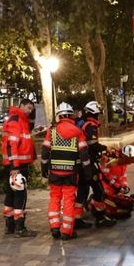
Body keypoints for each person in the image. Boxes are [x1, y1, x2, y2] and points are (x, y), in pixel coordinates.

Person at [41, 102, 92, 240]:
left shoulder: (51, 132)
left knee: (55, 198)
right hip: (71, 173)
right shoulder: (78, 132)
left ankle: (55, 228)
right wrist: (87, 171)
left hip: (55, 172)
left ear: (58, 116)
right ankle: (67, 231)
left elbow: (45, 151)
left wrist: (44, 167)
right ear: (71, 115)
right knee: (69, 200)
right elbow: (84, 154)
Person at [76, 101, 116, 228]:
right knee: (98, 189)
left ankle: (76, 219)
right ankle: (99, 217)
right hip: (88, 163)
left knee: (82, 191)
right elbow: (92, 144)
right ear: (94, 113)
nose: (99, 115)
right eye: (98, 113)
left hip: (82, 163)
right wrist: (106, 148)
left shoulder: (85, 124)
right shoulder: (90, 125)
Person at [0, 98, 37, 237]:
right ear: (21, 106)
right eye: (28, 108)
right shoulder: (17, 121)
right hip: (17, 165)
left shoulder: (17, 120)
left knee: (10, 194)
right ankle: (19, 227)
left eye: (31, 109)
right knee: (20, 195)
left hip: (12, 164)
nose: (30, 111)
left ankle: (9, 225)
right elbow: (12, 144)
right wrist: (15, 166)